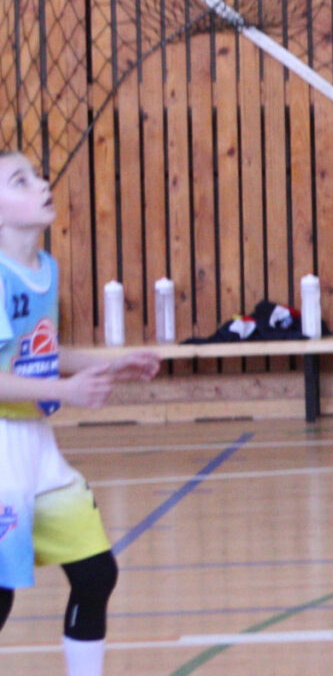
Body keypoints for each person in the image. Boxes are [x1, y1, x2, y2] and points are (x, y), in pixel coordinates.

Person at [0, 150, 161, 676]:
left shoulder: (44, 268)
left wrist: (108, 365)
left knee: (95, 575)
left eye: (36, 175)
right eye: (19, 181)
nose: (40, 183)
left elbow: (39, 351)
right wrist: (67, 392)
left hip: (35, 445)